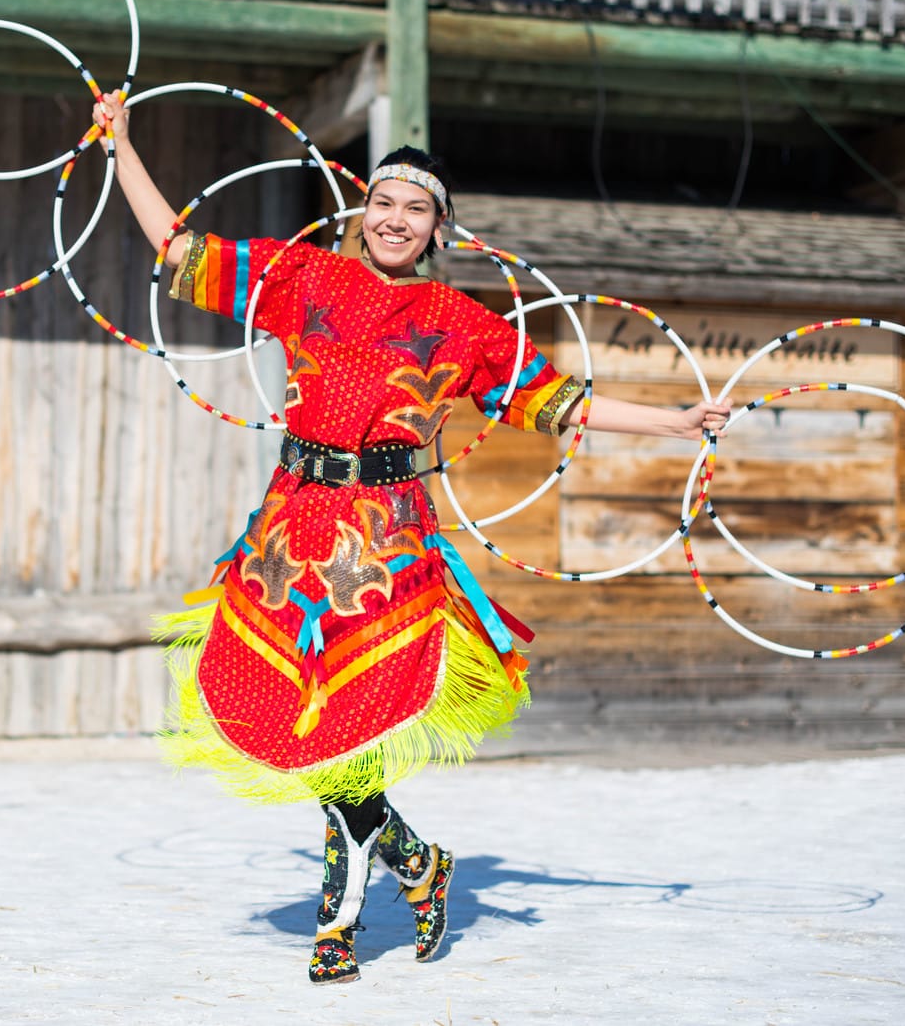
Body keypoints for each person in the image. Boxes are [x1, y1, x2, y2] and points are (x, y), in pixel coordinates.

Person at [92, 94, 730, 984]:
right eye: (385, 202)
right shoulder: (303, 277)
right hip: (288, 533)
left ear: (438, 229)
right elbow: (179, 247)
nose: (396, 220)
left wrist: (674, 421)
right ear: (363, 212)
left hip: (386, 545)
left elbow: (562, 404)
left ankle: (337, 927)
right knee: (296, 722)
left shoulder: (462, 323)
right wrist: (121, 144)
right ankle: (419, 863)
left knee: (348, 735)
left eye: (416, 209)